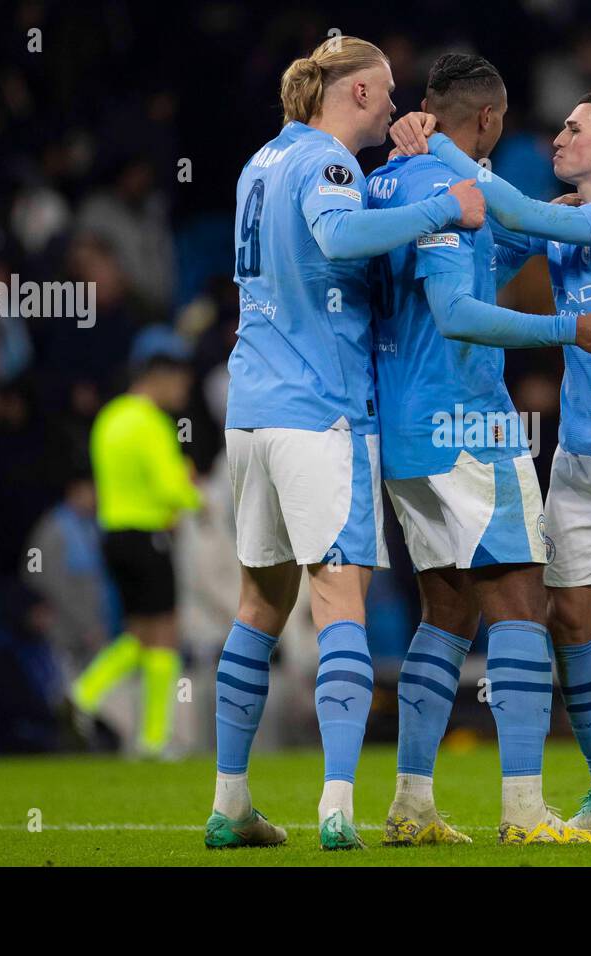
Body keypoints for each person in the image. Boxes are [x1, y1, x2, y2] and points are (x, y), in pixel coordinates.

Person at [391, 90, 591, 840]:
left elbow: (521, 213)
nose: (558, 136)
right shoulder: (566, 228)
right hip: (581, 458)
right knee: (566, 620)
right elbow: (499, 238)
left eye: (574, 128)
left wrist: (432, 140)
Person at [205, 36, 485, 852]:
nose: (397, 105)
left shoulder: (260, 163)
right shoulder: (331, 166)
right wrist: (443, 206)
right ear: (355, 93)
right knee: (339, 603)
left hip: (251, 410)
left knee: (259, 605)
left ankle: (230, 802)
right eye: (388, 92)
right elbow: (335, 237)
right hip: (320, 410)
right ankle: (335, 806)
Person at [72, 325, 201, 759]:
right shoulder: (150, 423)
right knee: (164, 636)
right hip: (148, 537)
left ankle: (85, 695)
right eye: (180, 378)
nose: (184, 387)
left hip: (112, 535)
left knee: (139, 634)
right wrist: (192, 489)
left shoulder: (109, 419)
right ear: (159, 376)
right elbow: (171, 490)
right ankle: (152, 738)